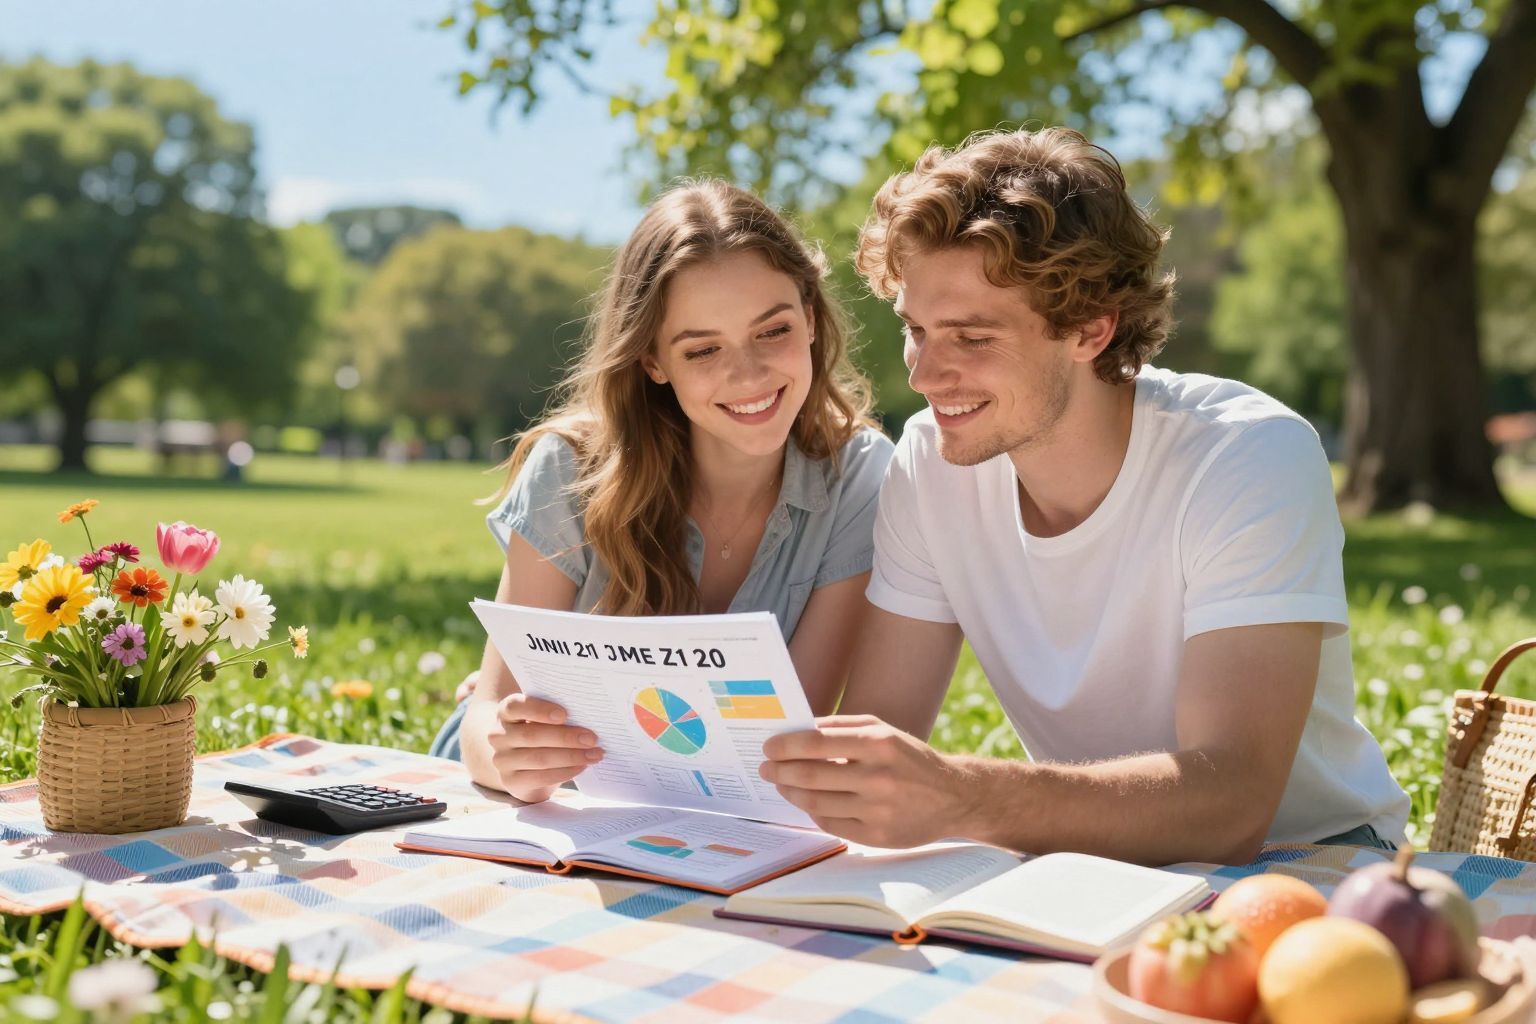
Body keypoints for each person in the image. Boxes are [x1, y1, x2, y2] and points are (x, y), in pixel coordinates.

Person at [758, 127, 1410, 865]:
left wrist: (964, 795)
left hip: (1314, 857)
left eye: (972, 338)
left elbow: (1232, 805)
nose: (926, 375)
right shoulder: (929, 467)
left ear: (1090, 329)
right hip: (1087, 864)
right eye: (917, 330)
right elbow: (878, 741)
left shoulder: (1246, 455)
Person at [429, 180, 893, 803]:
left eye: (772, 331)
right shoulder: (568, 468)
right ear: (652, 361)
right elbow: (486, 718)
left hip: (729, 808)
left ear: (810, 319)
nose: (748, 375)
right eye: (702, 349)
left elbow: (783, 750)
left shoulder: (861, 477)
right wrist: (506, 753)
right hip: (542, 800)